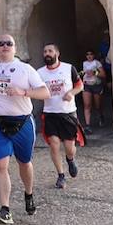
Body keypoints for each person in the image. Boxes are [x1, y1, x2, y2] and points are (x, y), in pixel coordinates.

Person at [0, 34, 50, 225]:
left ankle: (29, 193)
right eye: (1, 43)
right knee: (0, 165)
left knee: (24, 162)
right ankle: (5, 210)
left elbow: (45, 92)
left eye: (9, 43)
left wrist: (23, 92)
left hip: (23, 123)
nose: (5, 46)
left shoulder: (25, 69)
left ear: (15, 49)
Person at [36, 43, 85, 189]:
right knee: (54, 144)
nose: (47, 54)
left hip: (68, 113)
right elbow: (35, 89)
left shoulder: (68, 68)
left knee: (70, 147)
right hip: (50, 114)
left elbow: (80, 85)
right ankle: (61, 175)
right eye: (45, 51)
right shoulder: (39, 73)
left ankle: (70, 159)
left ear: (57, 53)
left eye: (50, 51)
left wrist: (71, 93)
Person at [80, 50, 106, 136]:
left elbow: (103, 74)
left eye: (91, 54)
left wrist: (94, 72)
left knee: (97, 105)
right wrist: (82, 74)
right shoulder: (84, 63)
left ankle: (101, 116)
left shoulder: (97, 63)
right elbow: (83, 73)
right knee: (87, 105)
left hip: (96, 85)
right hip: (87, 85)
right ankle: (88, 125)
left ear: (94, 55)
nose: (89, 56)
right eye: (87, 54)